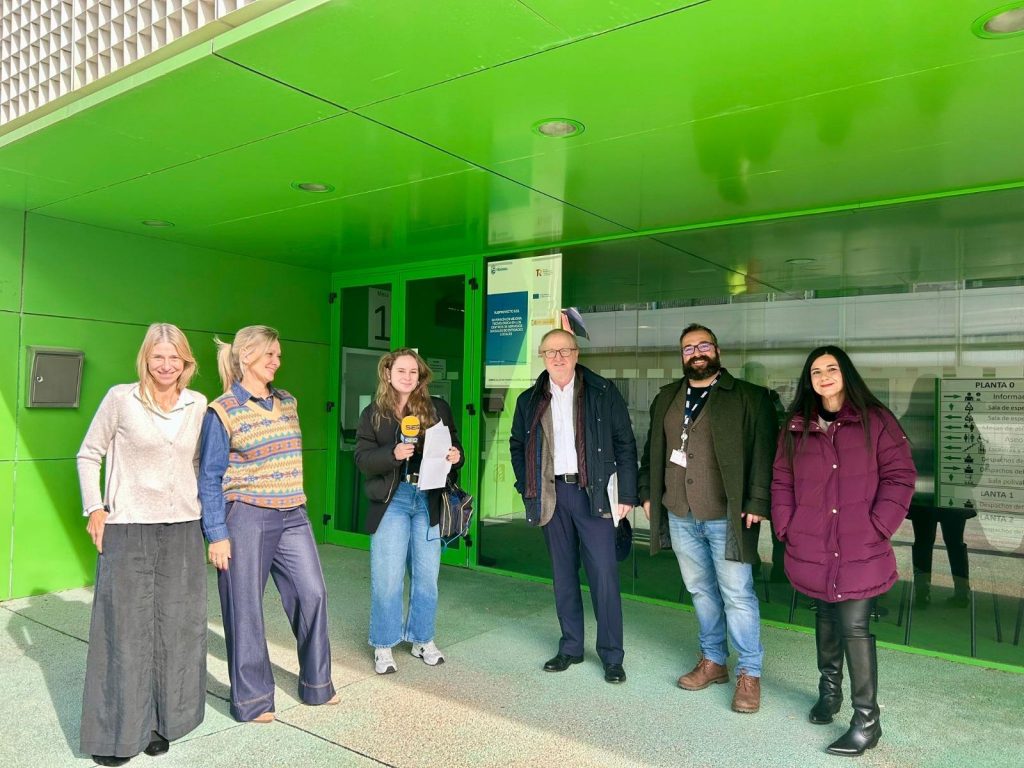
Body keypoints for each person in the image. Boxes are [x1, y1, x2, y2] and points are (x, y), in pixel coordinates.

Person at [771, 346, 915, 756]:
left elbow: (901, 475)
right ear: (809, 380)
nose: (824, 376)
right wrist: (787, 524)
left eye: (831, 368)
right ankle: (829, 693)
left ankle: (867, 722)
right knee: (826, 617)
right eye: (816, 371)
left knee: (854, 627)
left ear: (845, 374)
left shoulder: (876, 420)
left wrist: (879, 524)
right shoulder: (796, 426)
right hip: (814, 542)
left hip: (858, 544)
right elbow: (781, 479)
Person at [76, 323, 207, 766]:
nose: (166, 365)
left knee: (175, 630)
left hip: (184, 527)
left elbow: (196, 462)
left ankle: (159, 724)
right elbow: (88, 453)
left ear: (186, 362)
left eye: (175, 358)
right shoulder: (120, 399)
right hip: (129, 525)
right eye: (158, 357)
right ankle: (117, 733)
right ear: (145, 359)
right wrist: (95, 507)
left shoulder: (197, 404)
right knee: (124, 629)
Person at [199, 325, 337, 723]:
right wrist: (216, 534)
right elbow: (209, 476)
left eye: (278, 354)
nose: (277, 361)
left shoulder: (288, 401)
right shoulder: (222, 409)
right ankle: (253, 700)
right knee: (244, 608)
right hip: (245, 516)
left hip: (294, 514)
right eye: (269, 355)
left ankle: (317, 685)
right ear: (246, 358)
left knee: (312, 595)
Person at [638, 323, 777, 713]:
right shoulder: (667, 397)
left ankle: (749, 673)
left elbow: (764, 454)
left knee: (737, 594)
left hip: (727, 514)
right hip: (680, 512)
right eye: (688, 348)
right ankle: (714, 661)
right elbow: (653, 450)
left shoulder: (749, 397)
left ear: (716, 350)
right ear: (681, 356)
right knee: (700, 591)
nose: (696, 353)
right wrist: (649, 494)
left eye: (703, 346)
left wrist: (758, 501)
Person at [509, 329, 638, 684]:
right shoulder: (530, 398)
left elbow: (625, 442)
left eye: (564, 350)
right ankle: (571, 647)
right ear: (542, 357)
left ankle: (612, 656)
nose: (558, 357)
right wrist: (527, 486)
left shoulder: (601, 391)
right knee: (563, 576)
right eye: (550, 352)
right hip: (552, 494)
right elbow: (517, 444)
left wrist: (627, 493)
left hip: (593, 492)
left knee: (604, 576)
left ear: (577, 353)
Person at [354, 348, 464, 674]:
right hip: (394, 501)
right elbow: (362, 459)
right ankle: (384, 645)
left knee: (427, 578)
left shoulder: (437, 408)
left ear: (420, 376)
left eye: (413, 372)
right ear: (387, 374)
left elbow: (455, 448)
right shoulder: (373, 414)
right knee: (387, 578)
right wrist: (393, 453)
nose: (407, 376)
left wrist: (456, 457)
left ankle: (421, 639)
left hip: (427, 498)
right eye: (401, 370)